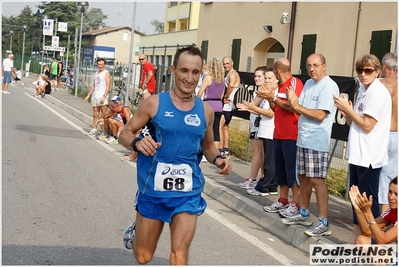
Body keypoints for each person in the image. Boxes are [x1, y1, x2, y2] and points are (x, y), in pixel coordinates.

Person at [118, 45, 231, 265]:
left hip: (187, 193)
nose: (189, 78)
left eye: (195, 72)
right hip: (153, 189)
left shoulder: (206, 110)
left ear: (201, 73)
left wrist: (218, 159)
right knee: (143, 256)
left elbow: (208, 145)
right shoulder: (154, 103)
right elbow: (125, 132)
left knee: (179, 255)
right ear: (173, 70)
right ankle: (138, 226)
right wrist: (137, 142)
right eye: (184, 71)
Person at [333, 54, 392, 243]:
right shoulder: (365, 90)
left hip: (369, 156)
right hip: (358, 155)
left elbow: (368, 125)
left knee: (368, 204)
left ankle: (374, 246)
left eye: (368, 70)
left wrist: (349, 110)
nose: (363, 74)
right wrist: (347, 113)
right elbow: (356, 125)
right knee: (356, 201)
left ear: (377, 72)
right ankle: (356, 239)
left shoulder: (377, 92)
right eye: (360, 70)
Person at [283, 53, 339, 237]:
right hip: (303, 138)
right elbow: (298, 107)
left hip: (317, 140)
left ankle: (323, 221)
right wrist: (284, 100)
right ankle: (304, 213)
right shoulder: (308, 84)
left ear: (324, 65)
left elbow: (320, 114)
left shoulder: (329, 86)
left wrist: (296, 106)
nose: (312, 69)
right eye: (308, 66)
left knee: (317, 180)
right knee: (303, 177)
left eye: (315, 65)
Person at [257, 58, 303, 217]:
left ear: (278, 70)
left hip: (292, 134)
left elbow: (293, 107)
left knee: (292, 171)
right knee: (281, 170)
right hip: (278, 133)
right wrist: (269, 97)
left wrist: (273, 97)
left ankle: (295, 203)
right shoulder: (280, 87)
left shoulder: (294, 83)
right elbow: (276, 108)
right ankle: (283, 199)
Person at [242, 67, 278, 196]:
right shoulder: (263, 91)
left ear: (276, 81)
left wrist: (252, 108)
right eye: (266, 78)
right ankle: (272, 186)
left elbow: (271, 113)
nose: (266, 81)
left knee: (269, 161)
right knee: (267, 159)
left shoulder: (275, 94)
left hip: (271, 130)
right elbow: (254, 106)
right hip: (263, 129)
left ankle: (263, 186)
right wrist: (248, 107)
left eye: (269, 78)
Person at [349, 177, 397, 245]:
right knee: (361, 241)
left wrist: (368, 212)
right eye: (390, 192)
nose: (391, 197)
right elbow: (367, 231)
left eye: (396, 194)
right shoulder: (392, 211)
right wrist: (358, 210)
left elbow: (382, 241)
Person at [378, 53, 397, 214]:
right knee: (393, 178)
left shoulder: (382, 84)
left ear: (384, 66)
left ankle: (383, 221)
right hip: (397, 135)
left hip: (384, 135)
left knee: (383, 180)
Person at [197, 57, 225, 149]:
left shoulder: (208, 78)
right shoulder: (222, 80)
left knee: (205, 129)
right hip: (218, 105)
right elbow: (221, 94)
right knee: (215, 130)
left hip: (209, 104)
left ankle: (205, 151)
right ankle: (216, 153)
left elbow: (200, 93)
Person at [219, 56, 241, 158]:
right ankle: (225, 150)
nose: (226, 65)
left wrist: (225, 97)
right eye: (224, 64)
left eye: (227, 63)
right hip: (228, 105)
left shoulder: (233, 74)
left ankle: (220, 150)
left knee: (219, 126)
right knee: (225, 127)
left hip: (228, 106)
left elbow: (231, 86)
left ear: (232, 63)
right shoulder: (227, 74)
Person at [84, 58, 112, 137]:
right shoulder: (96, 73)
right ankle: (94, 129)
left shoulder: (106, 73)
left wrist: (104, 96)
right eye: (99, 64)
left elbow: (108, 86)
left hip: (102, 96)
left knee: (104, 115)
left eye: (101, 64)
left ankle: (104, 132)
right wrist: (88, 95)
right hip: (95, 96)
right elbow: (94, 85)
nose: (100, 66)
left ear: (104, 65)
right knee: (95, 114)